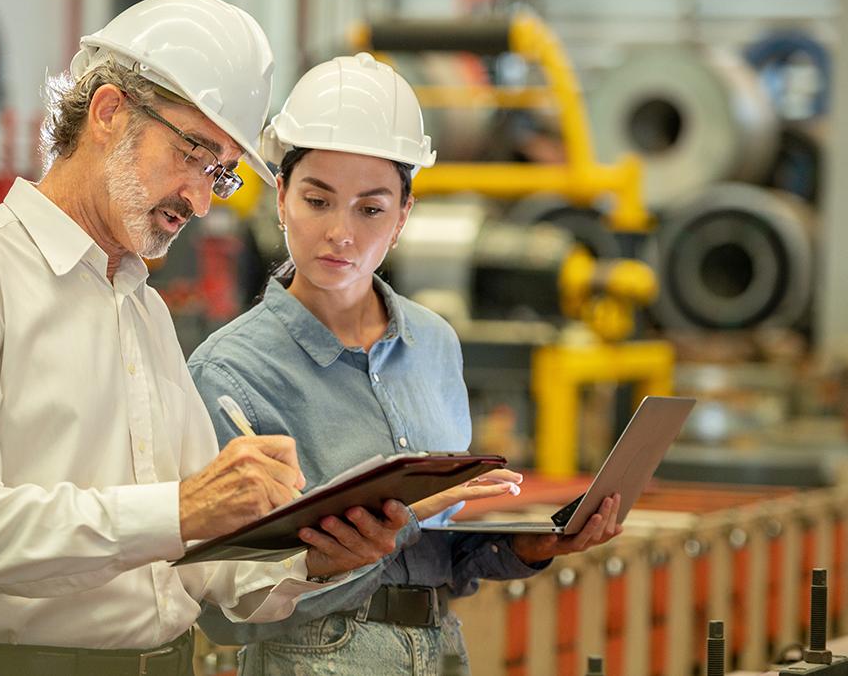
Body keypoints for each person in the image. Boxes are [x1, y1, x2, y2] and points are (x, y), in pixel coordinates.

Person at [0, 0, 409, 676]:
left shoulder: (140, 309)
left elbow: (201, 566)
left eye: (221, 174)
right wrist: (179, 509)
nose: (201, 200)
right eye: (194, 154)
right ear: (110, 112)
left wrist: (313, 557)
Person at [187, 52, 624, 675]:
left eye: (370, 209)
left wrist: (529, 546)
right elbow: (222, 600)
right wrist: (384, 530)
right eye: (317, 200)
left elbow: (440, 548)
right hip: (317, 659)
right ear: (281, 197)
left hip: (442, 647)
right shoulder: (230, 374)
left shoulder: (434, 344)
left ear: (402, 218)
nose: (340, 232)